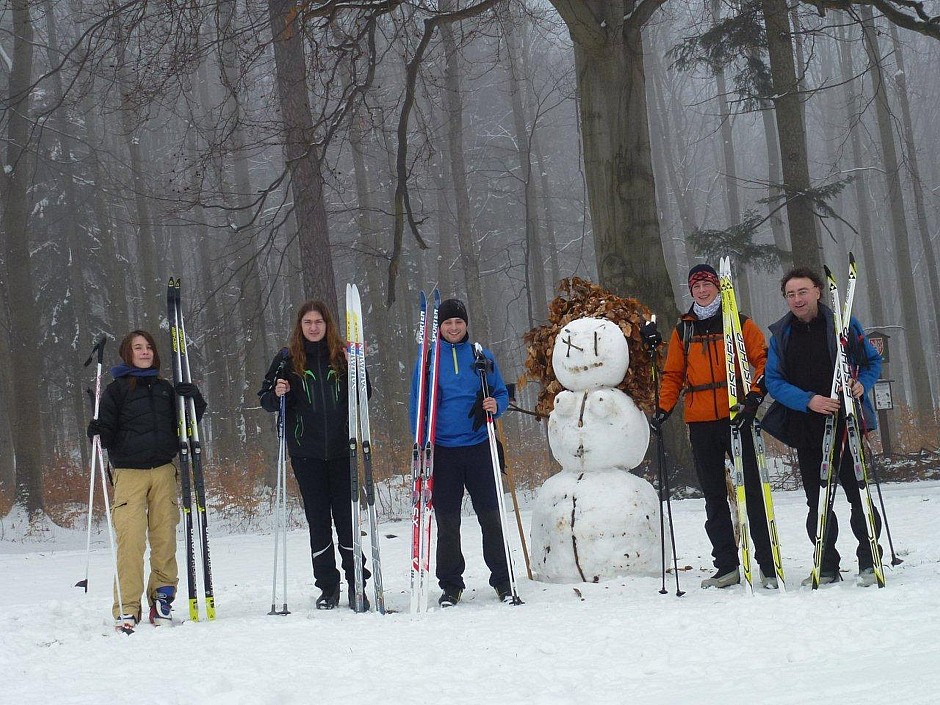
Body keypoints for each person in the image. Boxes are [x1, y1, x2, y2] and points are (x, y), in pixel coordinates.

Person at [651, 264, 777, 589]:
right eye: (697, 286)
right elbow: (673, 375)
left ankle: (765, 562)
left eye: (707, 284)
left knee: (751, 490)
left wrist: (755, 396)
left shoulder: (738, 321)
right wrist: (663, 408)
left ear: (717, 287)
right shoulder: (685, 330)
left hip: (738, 415)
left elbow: (763, 359)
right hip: (701, 423)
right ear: (691, 291)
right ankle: (726, 566)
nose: (703, 291)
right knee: (714, 496)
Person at [764, 267, 883, 587]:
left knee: (858, 493)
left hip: (846, 423)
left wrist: (861, 385)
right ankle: (827, 563)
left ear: (818, 291)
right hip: (807, 426)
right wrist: (809, 400)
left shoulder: (842, 325)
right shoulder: (781, 334)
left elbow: (872, 362)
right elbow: (774, 382)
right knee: (817, 500)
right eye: (790, 294)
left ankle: (870, 559)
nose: (797, 299)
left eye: (802, 292)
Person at [86, 330, 206, 630]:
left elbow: (188, 425)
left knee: (164, 538)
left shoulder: (166, 389)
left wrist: (195, 400)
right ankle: (127, 607)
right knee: (132, 541)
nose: (145, 352)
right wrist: (97, 429)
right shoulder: (116, 391)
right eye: (138, 348)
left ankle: (162, 598)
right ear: (128, 354)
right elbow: (107, 436)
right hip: (129, 475)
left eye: (149, 347)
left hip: (164, 471)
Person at [258, 300, 370, 610]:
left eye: (318, 321)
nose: (313, 327)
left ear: (327, 325)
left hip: (341, 449)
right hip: (306, 452)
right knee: (318, 521)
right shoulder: (288, 360)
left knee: (347, 521)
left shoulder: (342, 357)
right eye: (307, 322)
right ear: (300, 327)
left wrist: (357, 365)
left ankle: (356, 581)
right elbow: (266, 399)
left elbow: (365, 394)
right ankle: (328, 586)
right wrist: (276, 393)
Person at [409, 298, 512, 607]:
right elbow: (417, 401)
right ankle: (451, 584)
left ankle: (503, 580)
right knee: (448, 521)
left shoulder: (480, 355)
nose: (453, 328)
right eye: (448, 323)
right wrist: (419, 440)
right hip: (443, 451)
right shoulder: (429, 359)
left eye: (459, 322)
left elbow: (501, 392)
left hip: (480, 447)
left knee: (491, 517)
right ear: (439, 328)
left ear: (466, 324)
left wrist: (496, 405)